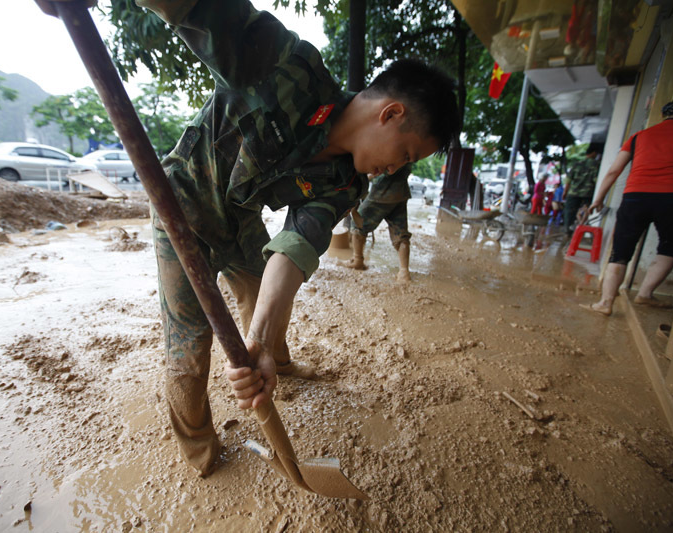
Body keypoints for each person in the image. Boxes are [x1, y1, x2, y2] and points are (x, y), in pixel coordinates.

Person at [130, 0, 460, 476]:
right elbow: (196, 7)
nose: (397, 169)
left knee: (260, 295)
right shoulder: (290, 67)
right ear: (390, 113)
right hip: (179, 205)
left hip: (238, 218)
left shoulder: (346, 183)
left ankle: (275, 360)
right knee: (189, 343)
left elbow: (295, 247)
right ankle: (201, 451)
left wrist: (259, 341)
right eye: (405, 153)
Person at [582, 88, 673, 316]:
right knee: (669, 248)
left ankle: (605, 303)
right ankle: (645, 293)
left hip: (634, 197)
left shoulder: (639, 137)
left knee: (621, 251)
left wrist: (598, 199)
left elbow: (613, 171)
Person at [344, 165, 414, 283]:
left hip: (381, 194)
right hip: (400, 193)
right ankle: (404, 271)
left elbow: (383, 169)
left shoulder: (391, 148)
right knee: (401, 233)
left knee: (357, 224)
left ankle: (358, 261)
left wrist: (366, 177)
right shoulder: (411, 149)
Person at [563, 143, 602, 234]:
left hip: (573, 193)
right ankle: (580, 227)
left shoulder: (577, 164)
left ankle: (568, 230)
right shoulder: (596, 164)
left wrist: (565, 192)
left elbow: (568, 180)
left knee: (569, 212)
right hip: (588, 194)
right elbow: (596, 181)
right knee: (585, 210)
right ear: (594, 153)